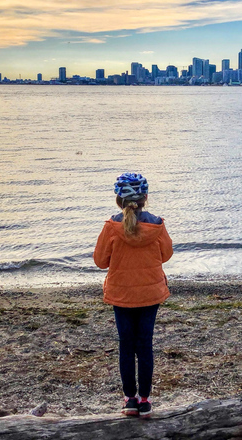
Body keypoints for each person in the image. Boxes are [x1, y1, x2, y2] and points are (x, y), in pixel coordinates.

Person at [93, 172, 173, 418]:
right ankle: (146, 400)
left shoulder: (111, 227)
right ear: (145, 198)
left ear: (119, 200)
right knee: (145, 345)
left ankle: (130, 399)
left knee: (126, 345)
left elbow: (100, 261)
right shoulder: (157, 224)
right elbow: (166, 255)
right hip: (150, 293)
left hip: (121, 294)